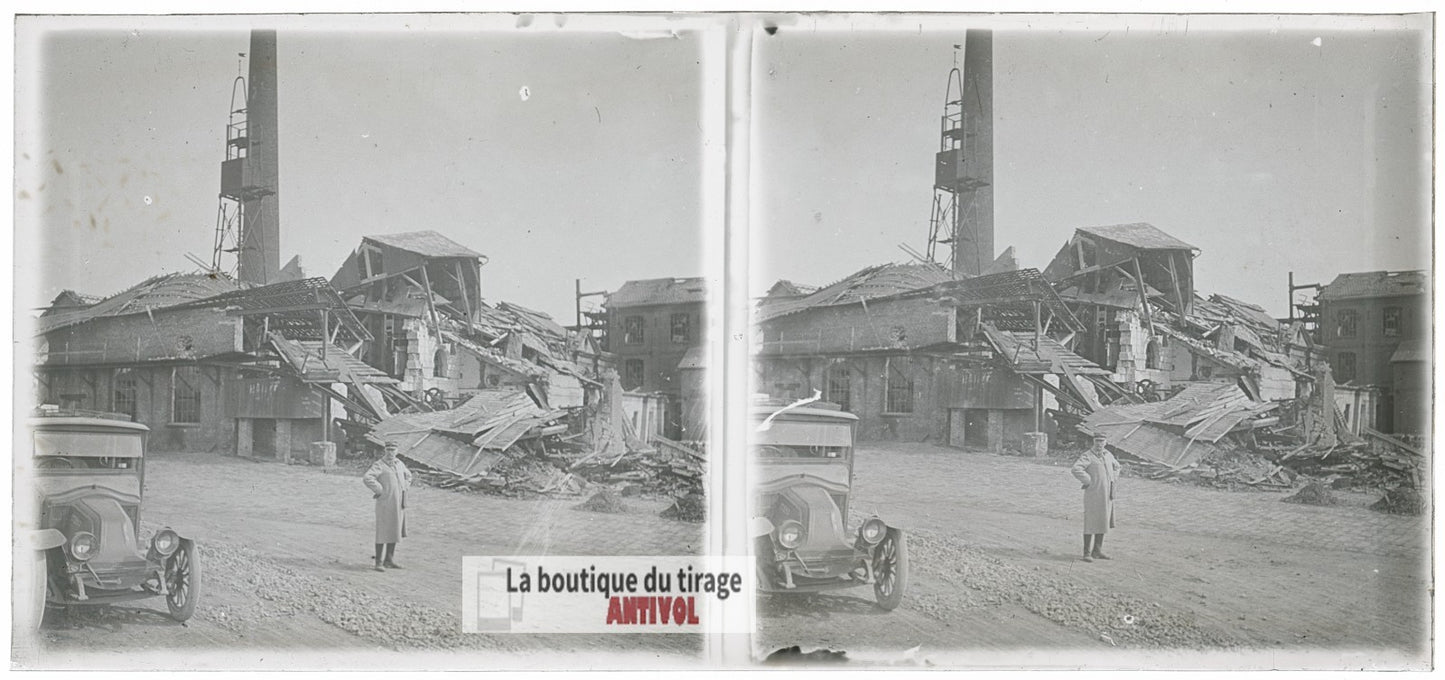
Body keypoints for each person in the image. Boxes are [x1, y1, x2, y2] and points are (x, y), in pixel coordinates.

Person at [362, 441, 413, 572]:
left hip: (399, 502)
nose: (390, 452)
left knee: (395, 529)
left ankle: (389, 560)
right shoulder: (379, 464)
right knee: (383, 531)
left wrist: (405, 486)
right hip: (385, 503)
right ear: (385, 450)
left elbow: (408, 476)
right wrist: (380, 490)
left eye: (393, 450)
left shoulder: (399, 464)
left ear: (397, 451)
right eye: (388, 449)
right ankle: (378, 562)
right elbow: (368, 478)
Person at [1070, 433, 1120, 562]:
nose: (1099, 444)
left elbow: (1117, 466)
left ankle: (1097, 551)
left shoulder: (1108, 455)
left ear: (1106, 442)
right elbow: (1076, 469)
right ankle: (1086, 553)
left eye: (1102, 441)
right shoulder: (1088, 456)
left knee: (1103, 520)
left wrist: (1113, 478)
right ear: (1093, 441)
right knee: (1091, 522)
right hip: (1093, 494)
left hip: (1107, 494)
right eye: (1097, 441)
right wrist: (1088, 480)